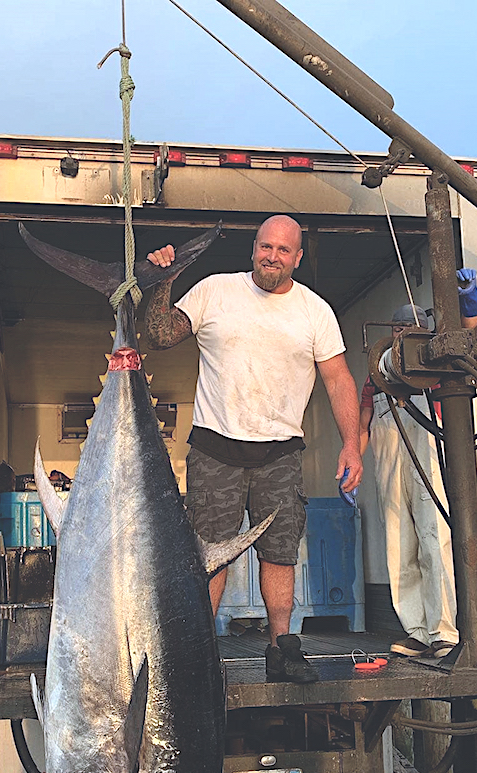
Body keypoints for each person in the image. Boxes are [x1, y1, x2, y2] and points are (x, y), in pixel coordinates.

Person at [145, 215, 362, 684]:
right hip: (214, 450)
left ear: (297, 258)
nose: (273, 256)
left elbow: (339, 378)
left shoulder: (315, 311)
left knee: (280, 553)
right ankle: (197, 652)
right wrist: (164, 279)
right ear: (254, 249)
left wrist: (352, 445)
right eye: (266, 246)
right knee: (211, 553)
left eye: (284, 250)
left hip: (279, 455)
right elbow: (159, 336)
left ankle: (282, 648)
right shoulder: (216, 290)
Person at [359, 270, 477, 659]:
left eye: (411, 328)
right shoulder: (378, 373)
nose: (402, 333)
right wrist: (353, 460)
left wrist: (470, 301)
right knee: (398, 540)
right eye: (398, 327)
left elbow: (472, 336)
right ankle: (414, 628)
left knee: (435, 535)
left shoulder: (437, 360)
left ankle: (443, 630)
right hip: (387, 452)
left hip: (427, 446)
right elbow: (363, 417)